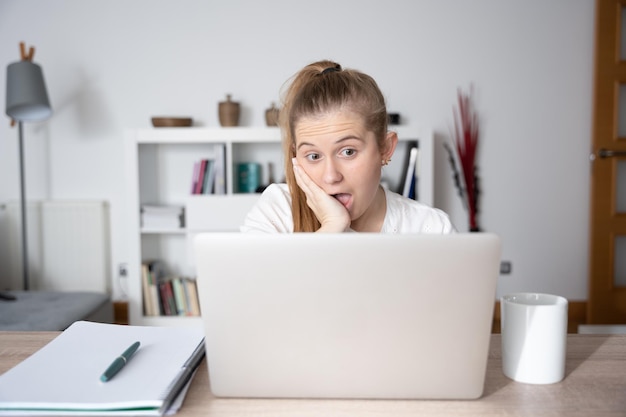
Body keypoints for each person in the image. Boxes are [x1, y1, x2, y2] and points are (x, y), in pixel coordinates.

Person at [241, 60, 455, 234]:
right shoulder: (277, 211)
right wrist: (332, 227)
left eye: (348, 152)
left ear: (385, 148)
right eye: (314, 156)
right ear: (296, 157)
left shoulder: (432, 229)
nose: (331, 176)